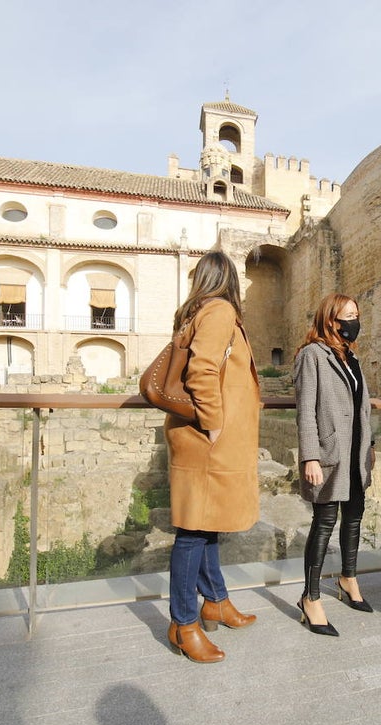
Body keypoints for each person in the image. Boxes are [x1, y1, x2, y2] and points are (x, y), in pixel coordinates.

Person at [163, 251, 261, 663]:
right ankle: (183, 624)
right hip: (209, 440)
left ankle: (216, 601)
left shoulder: (194, 313)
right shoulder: (219, 311)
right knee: (192, 532)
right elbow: (202, 369)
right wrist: (214, 423)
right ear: (230, 281)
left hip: (199, 440)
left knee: (207, 524)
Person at [293, 293, 376, 637]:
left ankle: (348, 579)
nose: (355, 320)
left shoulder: (351, 357)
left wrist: (370, 445)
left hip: (356, 452)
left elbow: (363, 407)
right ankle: (310, 598)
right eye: (349, 315)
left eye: (356, 314)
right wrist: (310, 455)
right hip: (329, 451)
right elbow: (306, 409)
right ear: (331, 320)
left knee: (354, 515)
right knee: (324, 521)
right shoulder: (312, 355)